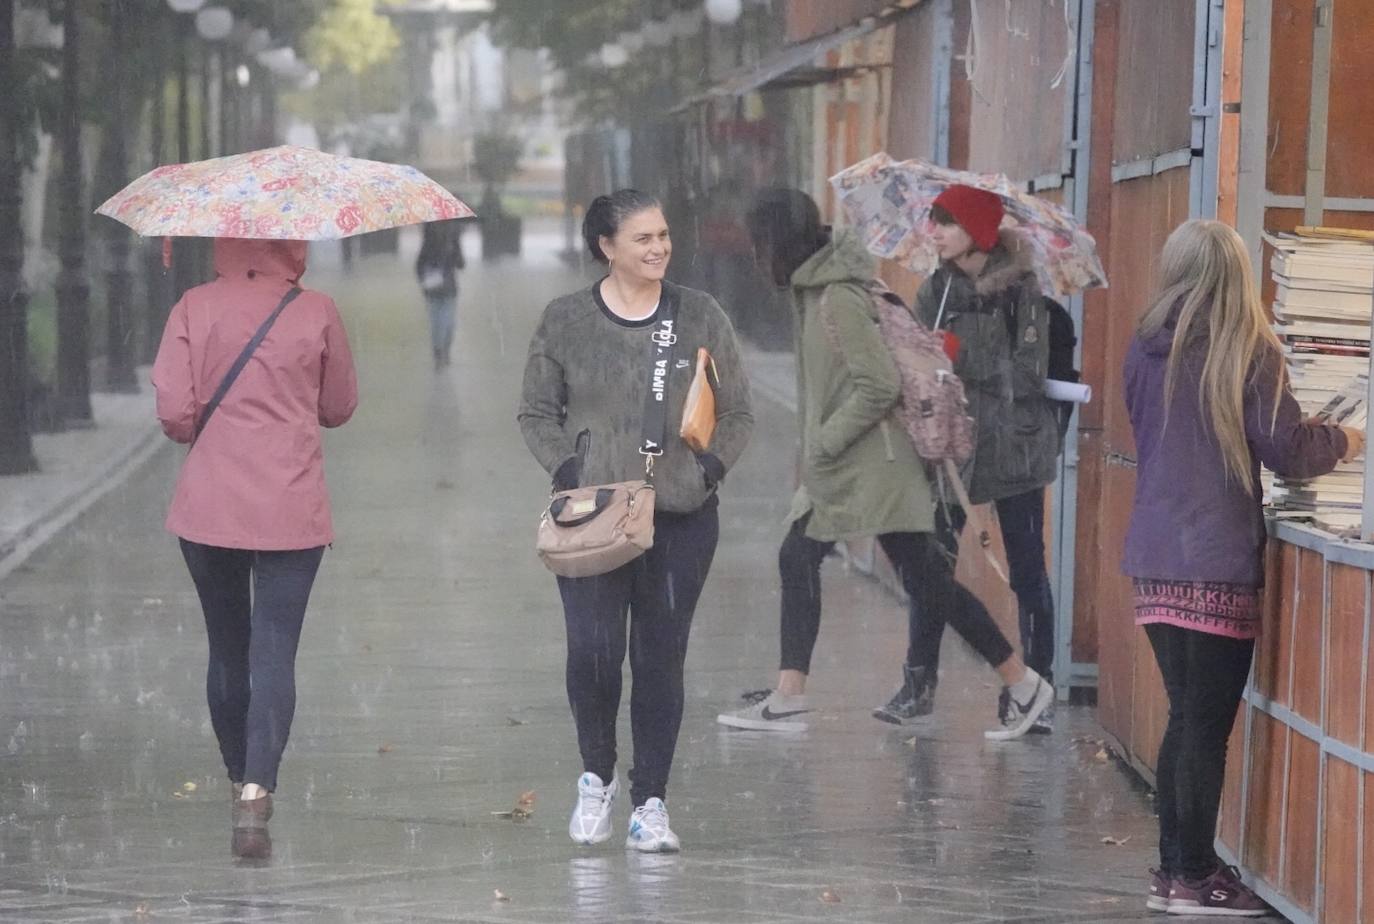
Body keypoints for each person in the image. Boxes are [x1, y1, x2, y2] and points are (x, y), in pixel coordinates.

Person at [715, 187, 1052, 740]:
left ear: (779, 244)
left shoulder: (836, 298)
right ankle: (1022, 684)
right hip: (859, 464)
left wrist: (824, 440)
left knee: (805, 559)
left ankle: (790, 696)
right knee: (924, 580)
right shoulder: (813, 292)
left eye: (759, 245)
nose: (754, 258)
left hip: (870, 466)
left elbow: (878, 385)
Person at [1124, 219, 1361, 916]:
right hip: (1217, 557)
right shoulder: (1247, 350)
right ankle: (1194, 877)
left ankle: (1174, 872)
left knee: (1183, 718)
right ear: (1236, 276)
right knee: (1204, 726)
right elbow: (1288, 450)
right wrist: (1343, 438)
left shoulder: (1143, 349)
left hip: (1154, 553)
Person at [518, 189, 754, 853]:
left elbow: (737, 412)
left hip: (681, 519)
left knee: (659, 659)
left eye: (663, 236)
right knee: (592, 653)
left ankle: (651, 800)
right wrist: (568, 470)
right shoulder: (565, 320)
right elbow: (537, 412)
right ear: (606, 247)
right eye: (642, 238)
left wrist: (706, 474)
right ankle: (596, 776)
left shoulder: (698, 314)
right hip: (592, 519)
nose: (658, 248)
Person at [151, 238, 358, 860]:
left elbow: (176, 414)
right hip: (290, 506)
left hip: (209, 505)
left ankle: (236, 769)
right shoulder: (316, 310)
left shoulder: (193, 306)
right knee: (275, 649)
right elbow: (339, 407)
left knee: (226, 646)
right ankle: (256, 788)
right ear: (292, 244)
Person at [906, 185, 1062, 732]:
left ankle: (1036, 685)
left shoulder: (1024, 292)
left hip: (1016, 446)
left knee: (1027, 571)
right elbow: (914, 365)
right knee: (931, 567)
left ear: (976, 230)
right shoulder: (935, 292)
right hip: (954, 448)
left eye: (945, 223)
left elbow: (1026, 375)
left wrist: (959, 355)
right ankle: (917, 682)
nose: (935, 233)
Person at [416, 218, 465, 369]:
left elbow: (419, 264)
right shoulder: (447, 238)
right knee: (446, 322)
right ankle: (442, 351)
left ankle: (439, 352)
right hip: (445, 288)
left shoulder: (434, 239)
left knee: (439, 322)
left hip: (436, 288)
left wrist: (424, 279)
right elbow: (461, 263)